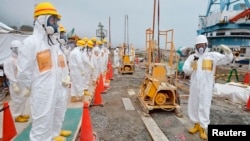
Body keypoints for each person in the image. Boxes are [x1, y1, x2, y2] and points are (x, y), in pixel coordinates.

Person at [16, 2, 71, 141]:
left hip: (56, 87)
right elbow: (23, 71)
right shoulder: (31, 43)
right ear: (42, 20)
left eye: (56, 21)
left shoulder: (52, 44)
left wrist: (64, 79)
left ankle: (53, 135)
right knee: (42, 121)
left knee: (57, 113)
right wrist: (28, 87)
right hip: (42, 90)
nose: (55, 24)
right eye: (52, 20)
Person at [182, 35, 233, 140]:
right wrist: (192, 65)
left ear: (206, 45)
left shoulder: (212, 56)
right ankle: (196, 124)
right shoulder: (192, 57)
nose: (201, 47)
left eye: (202, 45)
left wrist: (228, 52)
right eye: (198, 45)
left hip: (207, 86)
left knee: (204, 106)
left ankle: (203, 128)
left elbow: (227, 60)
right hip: (195, 85)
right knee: (194, 104)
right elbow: (185, 70)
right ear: (195, 46)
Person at [4, 40, 30, 123]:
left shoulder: (19, 59)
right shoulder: (9, 61)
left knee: (22, 99)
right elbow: (9, 73)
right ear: (13, 49)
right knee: (17, 100)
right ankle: (16, 116)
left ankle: (20, 114)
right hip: (15, 84)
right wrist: (14, 83)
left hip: (21, 83)